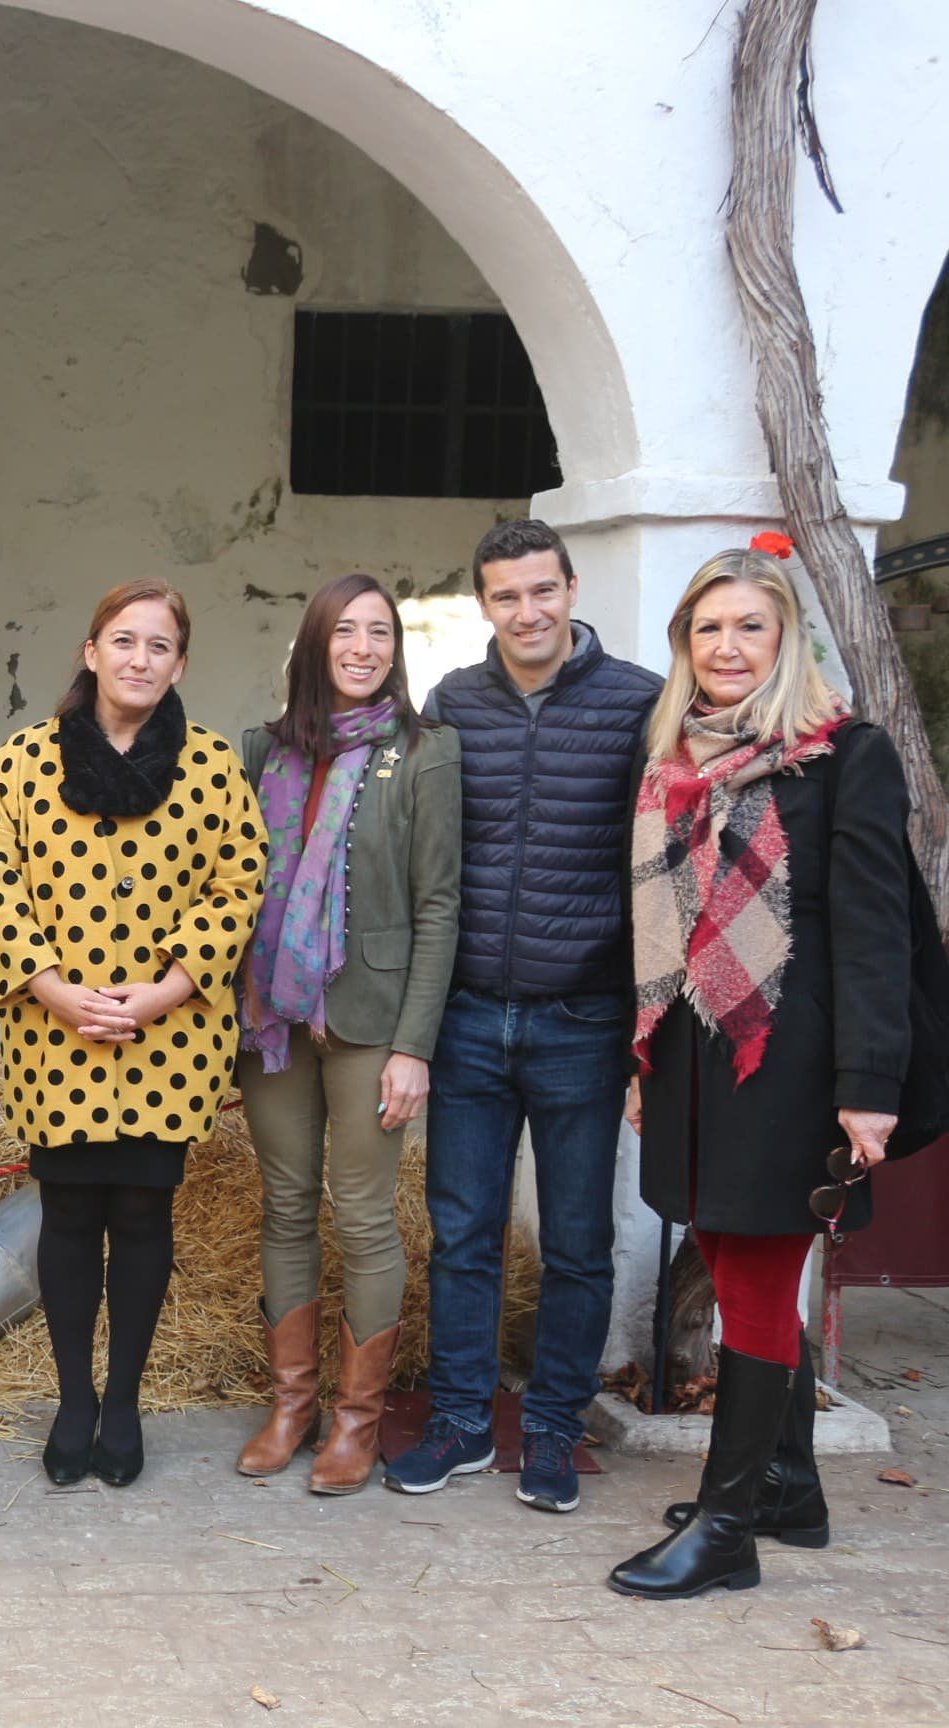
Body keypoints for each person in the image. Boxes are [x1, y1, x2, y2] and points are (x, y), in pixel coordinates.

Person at [609, 543, 922, 1599]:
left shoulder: (847, 756)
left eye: (750, 626)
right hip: (699, 1057)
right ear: (684, 646)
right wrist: (643, 1063)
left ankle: (728, 1529)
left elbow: (878, 933)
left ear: (784, 640)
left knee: (750, 1277)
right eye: (709, 628)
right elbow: (657, 935)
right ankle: (787, 1483)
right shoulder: (672, 764)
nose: (728, 647)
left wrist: (869, 1085)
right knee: (740, 1256)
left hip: (792, 1061)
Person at [387, 519, 661, 1513]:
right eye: (506, 596)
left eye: (542, 590)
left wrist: (647, 1022)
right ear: (484, 605)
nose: (528, 611)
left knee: (581, 1240)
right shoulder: (454, 703)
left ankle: (552, 1428)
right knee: (463, 1232)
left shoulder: (638, 701)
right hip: (465, 1015)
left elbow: (660, 863)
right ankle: (462, 1421)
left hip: (583, 1018)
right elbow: (422, 853)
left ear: (572, 588)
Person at [0, 578, 264, 1488]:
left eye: (159, 646)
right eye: (124, 641)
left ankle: (124, 1399)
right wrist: (55, 989)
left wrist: (162, 991)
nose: (140, 659)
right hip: (55, 1033)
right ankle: (72, 1397)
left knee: (141, 1213)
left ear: (181, 663)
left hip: (165, 1038)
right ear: (91, 653)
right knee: (68, 1214)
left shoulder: (213, 768)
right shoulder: (24, 762)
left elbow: (239, 882)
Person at [233, 575, 460, 1494]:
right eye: (346, 631)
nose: (364, 648)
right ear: (316, 642)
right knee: (286, 1206)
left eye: (381, 633)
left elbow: (440, 908)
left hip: (372, 1021)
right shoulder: (264, 749)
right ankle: (292, 1405)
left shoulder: (427, 754)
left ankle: (356, 1423)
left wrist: (416, 1045)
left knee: (365, 1219)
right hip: (273, 1019)